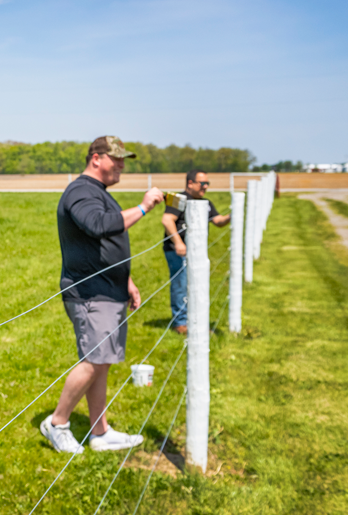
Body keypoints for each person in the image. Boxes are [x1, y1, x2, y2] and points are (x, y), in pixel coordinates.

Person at [40, 136, 164, 454]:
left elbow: (104, 247)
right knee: (94, 360)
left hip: (109, 290)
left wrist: (127, 280)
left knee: (103, 361)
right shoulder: (81, 191)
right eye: (116, 159)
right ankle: (57, 423)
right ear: (96, 158)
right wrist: (143, 207)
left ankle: (100, 431)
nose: (122, 165)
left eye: (124, 160)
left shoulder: (99, 193)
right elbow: (99, 226)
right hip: (89, 292)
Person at [162, 169, 230, 334]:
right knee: (181, 285)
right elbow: (167, 220)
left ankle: (195, 319)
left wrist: (232, 215)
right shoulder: (178, 199)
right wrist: (178, 243)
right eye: (202, 183)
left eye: (207, 183)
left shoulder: (205, 202)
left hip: (196, 252)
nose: (205, 187)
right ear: (190, 183)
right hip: (177, 251)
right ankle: (181, 323)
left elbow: (218, 221)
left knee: (197, 284)